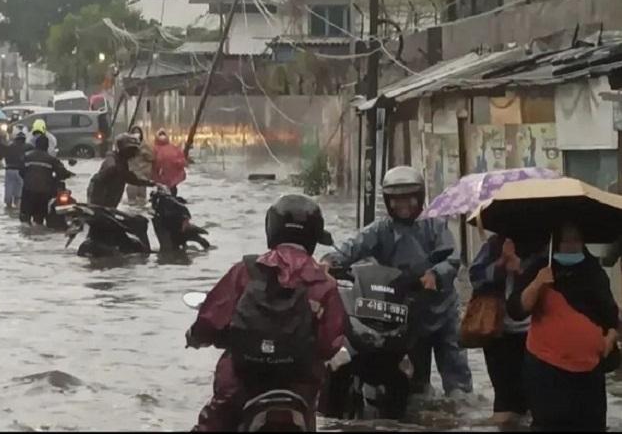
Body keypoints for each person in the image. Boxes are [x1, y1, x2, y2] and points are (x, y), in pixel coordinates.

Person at [186, 194, 346, 431]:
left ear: (271, 227)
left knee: (212, 424)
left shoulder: (247, 269)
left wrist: (195, 336)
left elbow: (211, 319)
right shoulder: (324, 282)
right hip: (300, 387)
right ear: (314, 234)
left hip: (240, 383)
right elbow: (330, 342)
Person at [322, 165, 472, 399]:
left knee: (457, 379)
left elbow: (452, 259)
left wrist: (434, 274)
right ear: (388, 200)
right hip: (407, 313)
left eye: (410, 198)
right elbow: (353, 246)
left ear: (420, 197)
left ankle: (461, 411)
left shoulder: (435, 225)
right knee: (415, 383)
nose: (403, 205)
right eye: (396, 200)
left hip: (442, 311)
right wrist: (329, 261)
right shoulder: (381, 229)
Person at [508, 222, 620, 431]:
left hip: (589, 374)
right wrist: (537, 284)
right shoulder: (540, 268)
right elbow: (516, 310)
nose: (572, 245)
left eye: (576, 240)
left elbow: (611, 316)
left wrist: (610, 338)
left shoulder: (593, 271)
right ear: (556, 243)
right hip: (546, 371)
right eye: (567, 241)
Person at [468, 235, 547, 425]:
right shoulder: (495, 244)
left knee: (535, 398)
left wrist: (521, 270)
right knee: (504, 401)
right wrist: (501, 263)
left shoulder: (548, 247)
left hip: (537, 333)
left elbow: (557, 284)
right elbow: (475, 277)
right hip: (498, 330)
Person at [86, 133, 156, 208]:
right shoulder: (113, 162)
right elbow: (97, 181)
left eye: (134, 150)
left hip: (111, 201)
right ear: (123, 149)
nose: (133, 154)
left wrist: (148, 183)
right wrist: (97, 204)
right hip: (102, 203)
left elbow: (128, 177)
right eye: (131, 150)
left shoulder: (122, 161)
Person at [19, 135, 74, 225]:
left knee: (25, 218)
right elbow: (62, 172)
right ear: (47, 146)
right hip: (43, 192)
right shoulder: (51, 159)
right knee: (39, 219)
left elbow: (21, 172)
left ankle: (26, 234)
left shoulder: (27, 157)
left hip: (28, 191)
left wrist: (28, 180)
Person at [3, 130, 34, 209]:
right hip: (21, 171)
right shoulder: (28, 147)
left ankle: (8, 205)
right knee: (19, 192)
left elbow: (5, 158)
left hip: (9, 170)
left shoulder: (9, 146)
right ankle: (17, 207)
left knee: (8, 188)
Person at [152, 129, 187, 197]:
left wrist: (179, 163)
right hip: (161, 176)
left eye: (163, 135)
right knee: (162, 191)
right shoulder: (153, 149)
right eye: (160, 135)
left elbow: (181, 159)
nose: (162, 137)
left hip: (171, 177)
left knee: (171, 190)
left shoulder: (174, 148)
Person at [125, 126, 154, 205]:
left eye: (138, 132)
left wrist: (144, 152)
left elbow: (152, 157)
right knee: (131, 199)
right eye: (134, 132)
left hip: (143, 174)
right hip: (132, 173)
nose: (136, 134)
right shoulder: (127, 145)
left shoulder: (145, 145)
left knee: (142, 199)